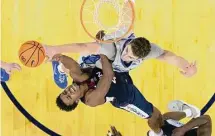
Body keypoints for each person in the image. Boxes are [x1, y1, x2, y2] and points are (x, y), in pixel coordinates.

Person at [44, 0, 197, 89]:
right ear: (129, 42)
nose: (126, 55)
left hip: (115, 68)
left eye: (130, 56)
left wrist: (185, 66)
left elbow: (167, 55)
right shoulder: (112, 48)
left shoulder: (148, 50)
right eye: (127, 51)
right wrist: (54, 49)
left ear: (141, 57)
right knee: (79, 74)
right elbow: (82, 47)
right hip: (96, 58)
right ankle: (59, 67)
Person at [53, 54, 164, 135]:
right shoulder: (90, 99)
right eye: (69, 96)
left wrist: (60, 58)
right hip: (126, 96)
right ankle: (159, 133)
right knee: (154, 115)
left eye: (65, 92)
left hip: (118, 72)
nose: (68, 91)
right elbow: (108, 75)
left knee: (126, 47)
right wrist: (102, 53)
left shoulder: (78, 77)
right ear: (77, 101)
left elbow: (72, 64)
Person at [147, 100, 212, 136]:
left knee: (159, 119)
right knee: (162, 118)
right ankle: (190, 111)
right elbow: (206, 119)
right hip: (184, 131)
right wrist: (183, 129)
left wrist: (158, 132)